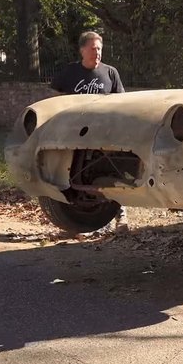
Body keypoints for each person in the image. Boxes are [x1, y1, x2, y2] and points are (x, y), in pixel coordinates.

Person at [51, 31, 129, 233]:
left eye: (100, 49)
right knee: (72, 175)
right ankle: (74, 219)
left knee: (112, 173)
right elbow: (54, 100)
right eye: (94, 48)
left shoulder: (110, 72)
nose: (98, 53)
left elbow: (121, 103)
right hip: (73, 135)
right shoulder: (69, 73)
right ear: (82, 50)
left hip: (104, 134)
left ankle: (120, 216)